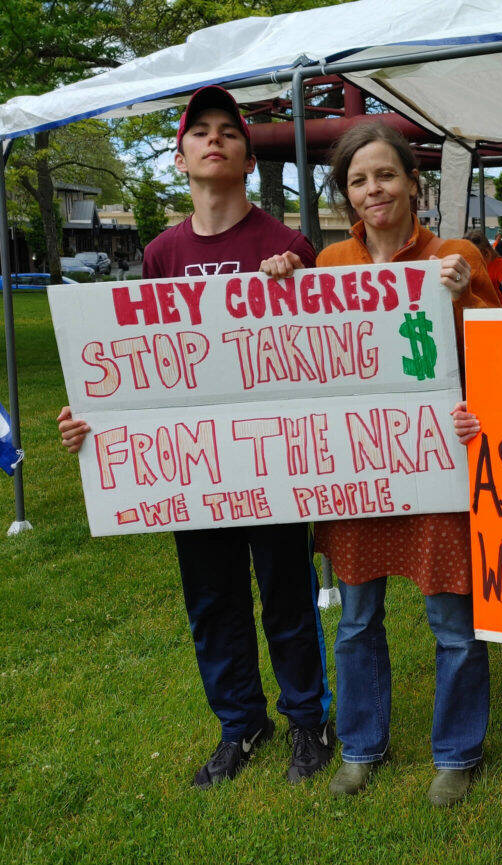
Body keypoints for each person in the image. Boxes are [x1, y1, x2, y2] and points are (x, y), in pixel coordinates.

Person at [56, 85, 334, 789]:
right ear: (180, 157)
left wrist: (297, 288)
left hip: (269, 459)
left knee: (287, 594)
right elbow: (138, 362)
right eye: (200, 131)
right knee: (212, 601)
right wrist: (91, 416)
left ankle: (308, 719)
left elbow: (324, 356)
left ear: (245, 157)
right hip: (195, 470)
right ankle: (241, 724)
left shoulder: (287, 244)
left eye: (230, 132)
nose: (216, 140)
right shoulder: (161, 252)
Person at [259, 120, 500, 807]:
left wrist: (467, 292)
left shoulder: (456, 255)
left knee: (452, 621)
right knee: (358, 617)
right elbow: (291, 361)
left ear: (413, 183)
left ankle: (456, 750)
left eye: (386, 174)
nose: (374, 189)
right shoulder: (330, 265)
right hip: (360, 473)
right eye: (359, 180)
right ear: (346, 193)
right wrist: (284, 285)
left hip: (436, 470)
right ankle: (362, 744)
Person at [465, 227, 502, 306]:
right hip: (470, 314)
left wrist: (501, 315)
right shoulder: (463, 262)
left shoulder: (496, 263)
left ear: (485, 251)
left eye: (475, 254)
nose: (470, 258)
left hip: (493, 312)